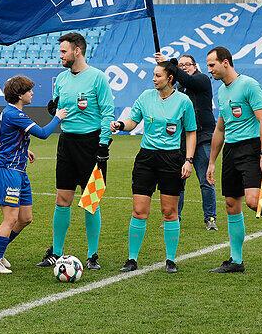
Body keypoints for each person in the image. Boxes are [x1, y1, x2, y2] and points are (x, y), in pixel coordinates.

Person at [205, 47, 262, 273]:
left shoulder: (249, 85)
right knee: (232, 205)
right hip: (231, 150)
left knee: (253, 201)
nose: (209, 69)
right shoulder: (221, 92)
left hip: (252, 148)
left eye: (212, 64)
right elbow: (220, 129)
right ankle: (236, 260)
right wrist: (212, 161)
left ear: (225, 62)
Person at [37, 32, 115, 271]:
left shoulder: (98, 78)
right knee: (62, 199)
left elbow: (108, 113)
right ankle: (56, 252)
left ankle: (93, 255)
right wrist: (53, 108)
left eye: (63, 51)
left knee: (91, 201)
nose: (60, 55)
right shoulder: (61, 78)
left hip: (92, 145)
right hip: (67, 142)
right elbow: (59, 107)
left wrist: (103, 145)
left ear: (77, 51)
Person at [111, 62, 197, 274]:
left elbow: (191, 132)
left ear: (170, 78)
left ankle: (170, 260)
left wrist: (189, 160)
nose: (154, 78)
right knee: (139, 211)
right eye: (153, 75)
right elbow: (133, 121)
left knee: (169, 212)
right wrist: (121, 125)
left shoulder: (184, 101)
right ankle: (132, 259)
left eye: (158, 75)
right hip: (146, 159)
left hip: (171, 159)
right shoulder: (146, 97)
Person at [0, 76, 66, 274]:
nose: (32, 93)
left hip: (19, 171)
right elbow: (43, 133)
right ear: (20, 95)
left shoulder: (13, 113)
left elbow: (11, 137)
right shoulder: (14, 114)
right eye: (29, 90)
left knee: (25, 218)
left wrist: (24, 150)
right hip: (8, 171)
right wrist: (58, 117)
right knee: (11, 218)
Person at [155, 52, 218, 230]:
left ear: (195, 65)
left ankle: (210, 218)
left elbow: (188, 81)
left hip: (203, 137)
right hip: (182, 139)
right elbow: (167, 83)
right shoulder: (179, 88)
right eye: (180, 65)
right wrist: (165, 70)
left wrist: (169, 64)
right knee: (178, 181)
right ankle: (175, 217)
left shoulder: (202, 79)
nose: (183, 68)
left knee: (206, 180)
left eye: (187, 65)